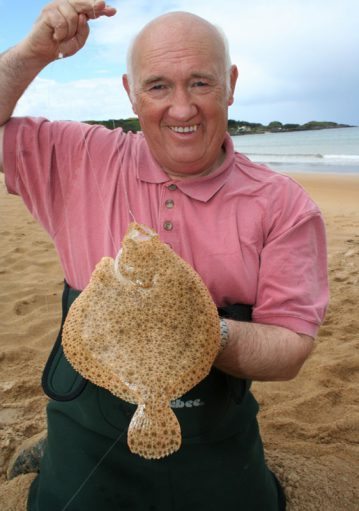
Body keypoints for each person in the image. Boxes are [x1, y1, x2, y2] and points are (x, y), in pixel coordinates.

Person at [0, 1, 328, 509]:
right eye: (158, 86)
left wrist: (199, 330)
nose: (181, 108)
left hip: (213, 434)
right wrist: (29, 54)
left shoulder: (284, 205)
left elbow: (291, 347)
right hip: (88, 426)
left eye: (200, 82)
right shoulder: (78, 155)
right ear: (130, 93)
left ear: (231, 84)